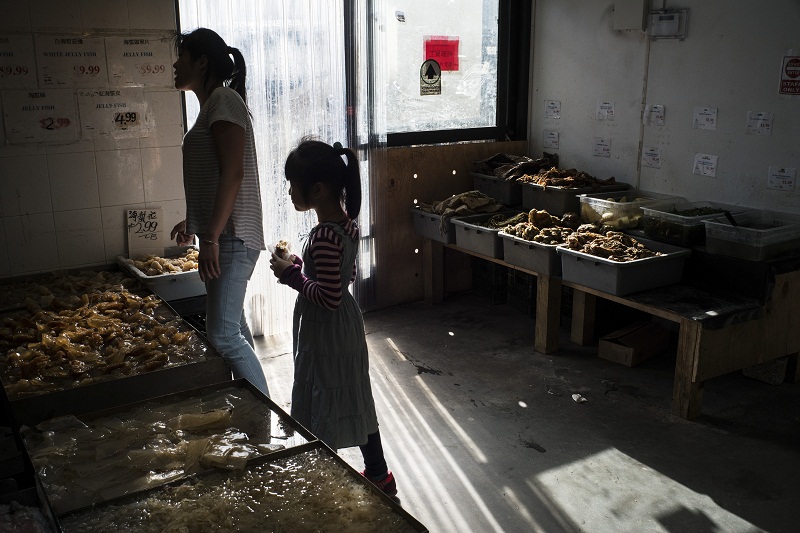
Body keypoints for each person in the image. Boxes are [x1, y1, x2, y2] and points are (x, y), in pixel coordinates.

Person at [269, 140, 397, 497]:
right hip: (345, 326)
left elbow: (327, 296)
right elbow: (345, 276)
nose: (290, 192)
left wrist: (290, 275)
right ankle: (379, 474)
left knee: (324, 396)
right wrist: (300, 265)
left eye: (294, 185)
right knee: (352, 396)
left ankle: (320, 481)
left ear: (318, 189)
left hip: (327, 331)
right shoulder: (346, 225)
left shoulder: (324, 235)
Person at [169, 28, 269, 397]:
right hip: (224, 236)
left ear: (202, 61)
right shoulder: (212, 105)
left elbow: (234, 172)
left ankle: (264, 429)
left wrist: (210, 235)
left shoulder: (223, 99)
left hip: (231, 237)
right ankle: (251, 416)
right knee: (235, 331)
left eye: (181, 56)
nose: (175, 64)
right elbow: (215, 175)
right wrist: (194, 221)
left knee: (223, 336)